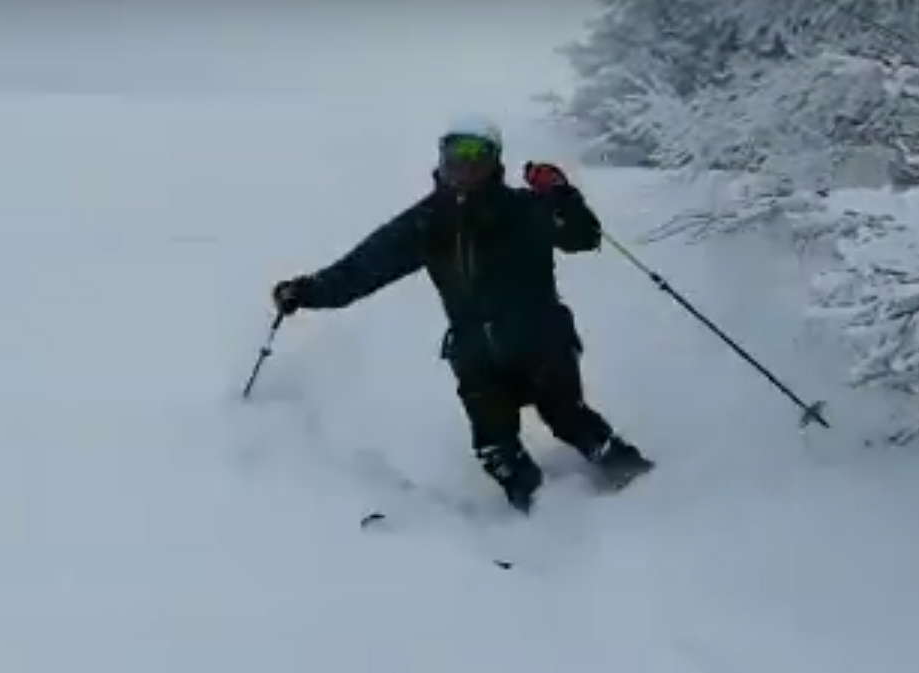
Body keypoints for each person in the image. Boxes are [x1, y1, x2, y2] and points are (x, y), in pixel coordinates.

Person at [270, 115, 653, 513]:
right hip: (475, 354)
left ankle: (644, 488)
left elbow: (583, 237)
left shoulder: (525, 210)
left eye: (478, 155)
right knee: (495, 449)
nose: (466, 166)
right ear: (442, 157)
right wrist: (306, 290)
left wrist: (560, 194)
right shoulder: (427, 222)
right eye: (456, 154)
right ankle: (541, 517)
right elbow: (362, 270)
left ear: (495, 161)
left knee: (567, 418)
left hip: (542, 341)